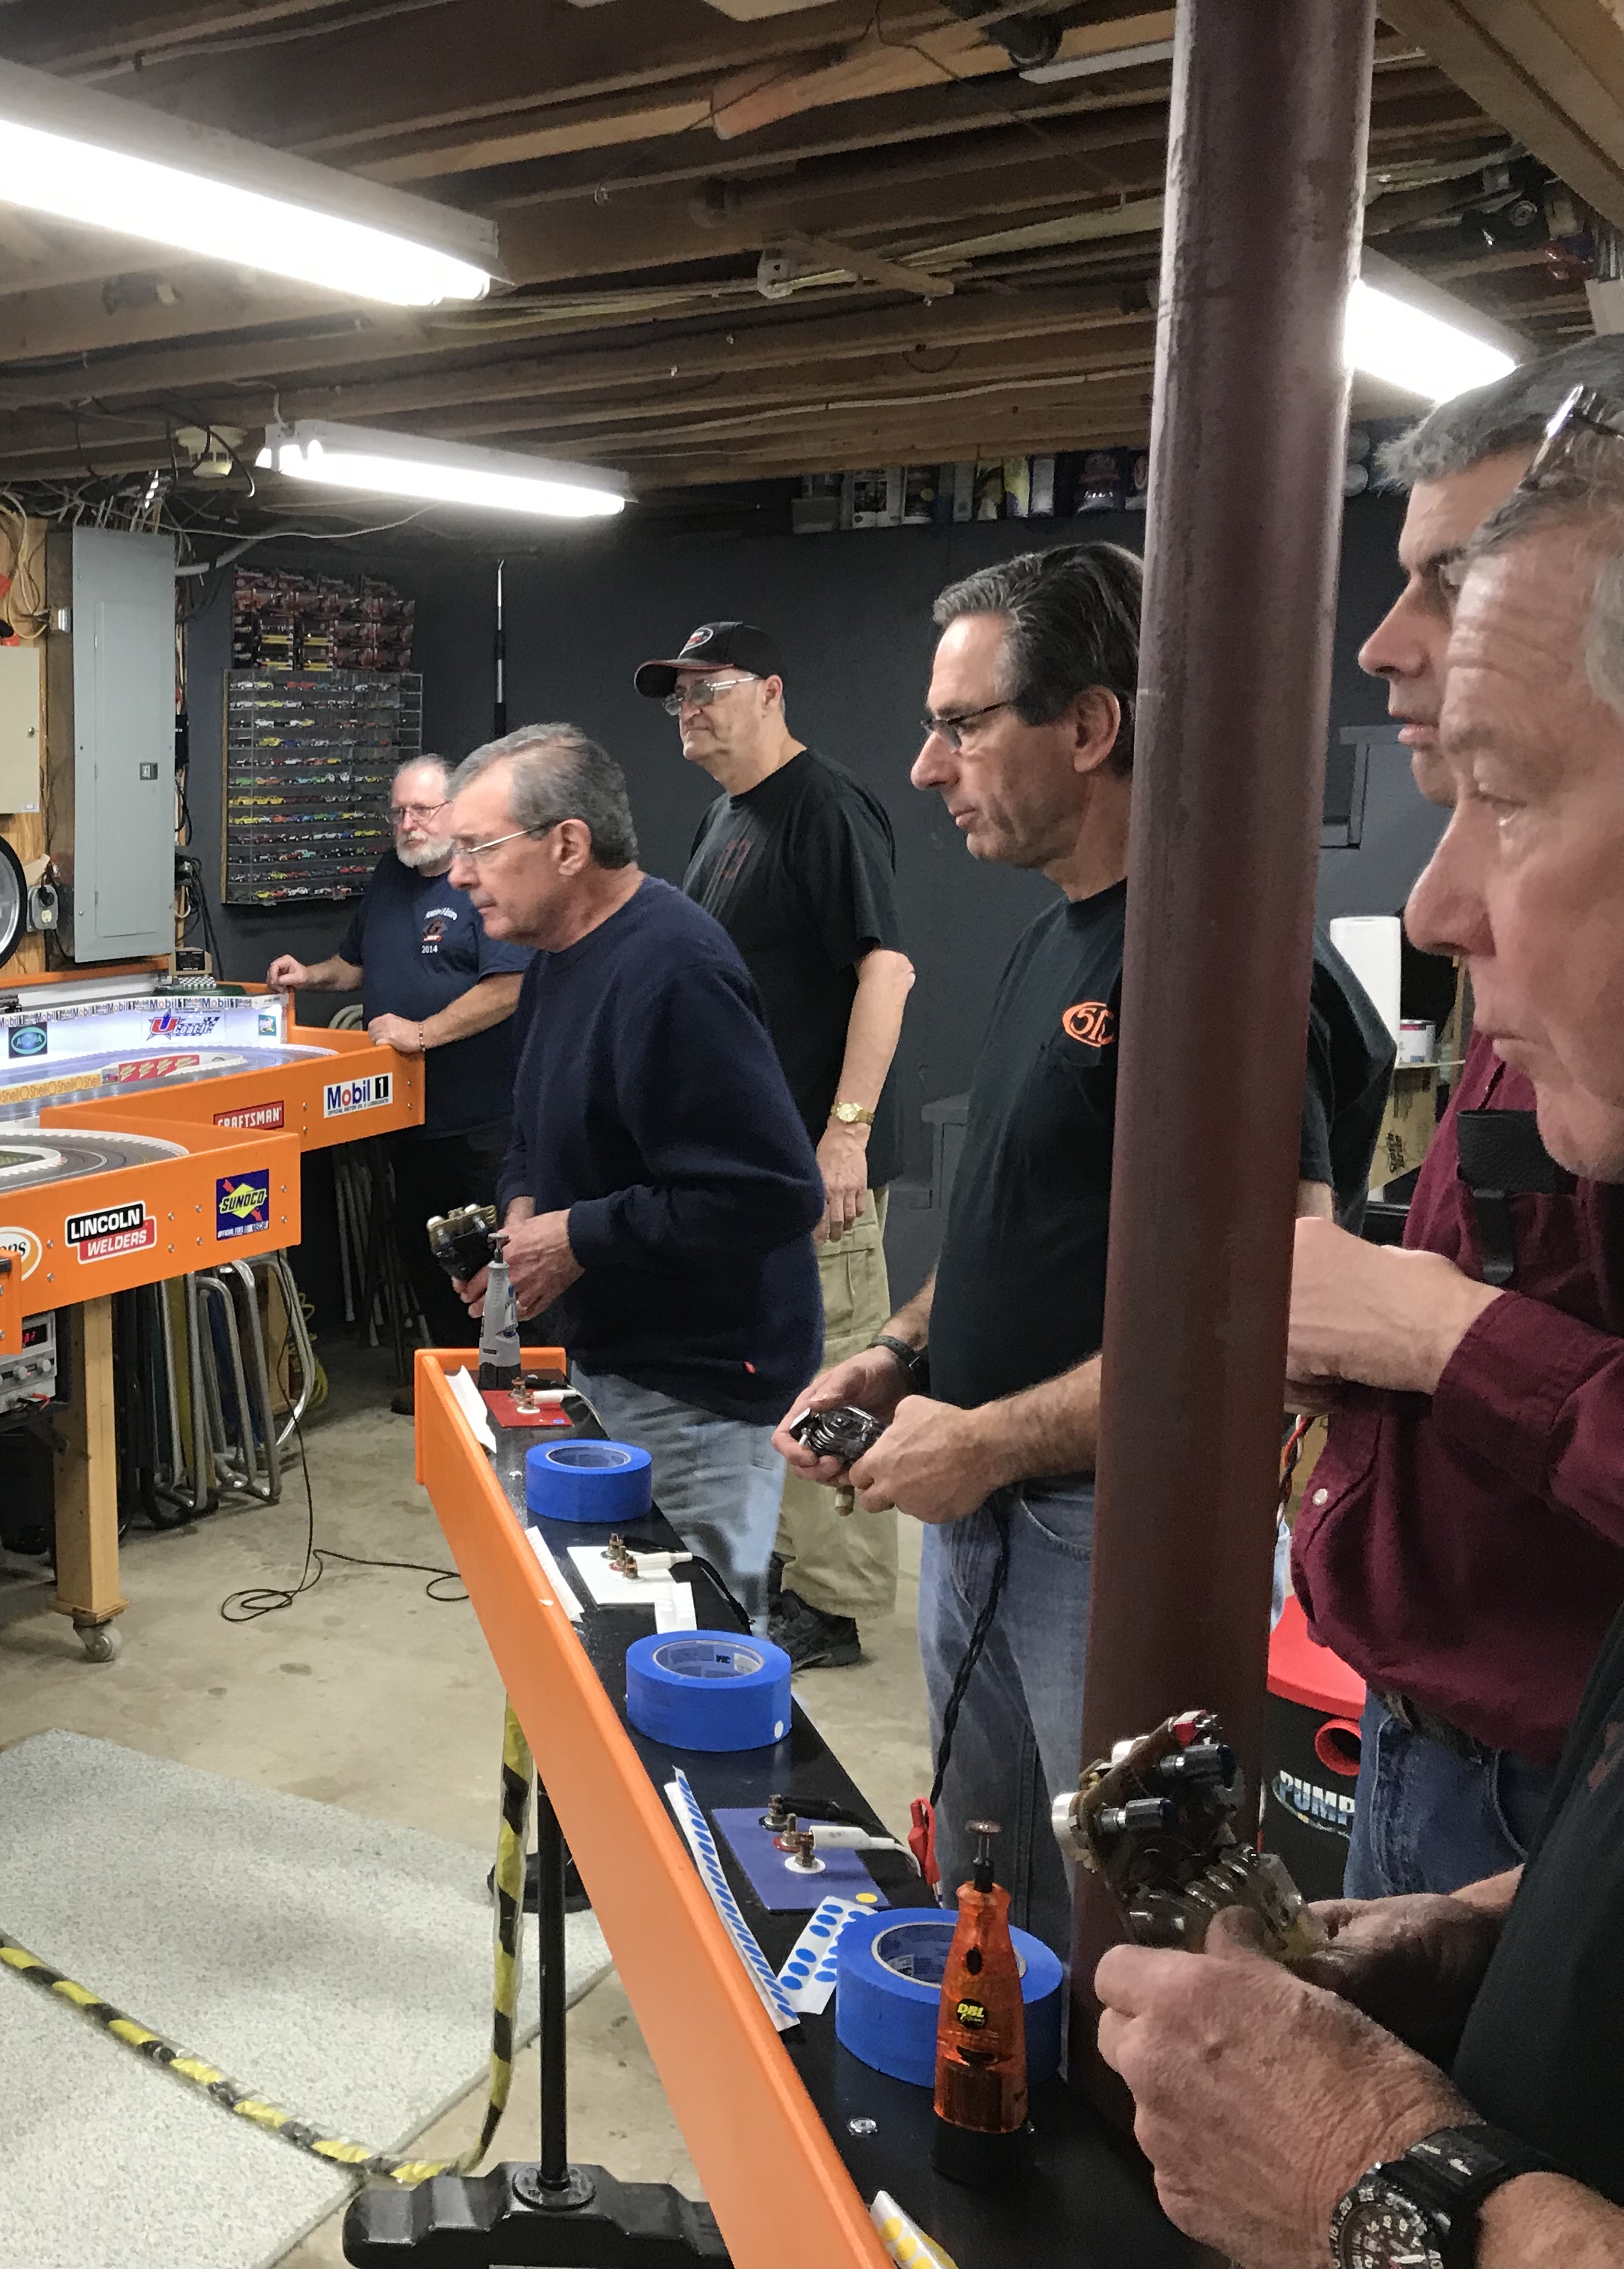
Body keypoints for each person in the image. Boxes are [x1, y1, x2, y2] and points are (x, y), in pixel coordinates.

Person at [1097, 398, 1624, 2269]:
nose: (1433, 899)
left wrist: (1371, 2184)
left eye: (1514, 786)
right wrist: (1498, 1935)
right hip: (1462, 1750)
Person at [773, 544, 1385, 1958]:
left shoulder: (1221, 967)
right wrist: (897, 1353)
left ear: (1091, 725)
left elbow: (1269, 1327)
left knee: (1136, 1947)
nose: (926, 767)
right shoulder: (1055, 942)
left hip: (1109, 1540)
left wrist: (987, 1440)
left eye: (962, 723)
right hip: (985, 1513)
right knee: (993, 1908)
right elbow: (1021, 1220)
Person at [1287, 338, 1624, 1901]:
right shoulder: (1538, 968)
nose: (1383, 640)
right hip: (1447, 1742)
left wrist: (1433, 1336)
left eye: (1456, 574)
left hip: (1537, 1760)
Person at [438, 723, 823, 1627]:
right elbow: (534, 1130)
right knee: (605, 1641)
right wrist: (523, 1222)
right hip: (613, 1361)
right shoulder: (557, 959)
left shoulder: (675, 969)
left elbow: (771, 1193)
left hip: (696, 1395)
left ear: (568, 845)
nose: (457, 876)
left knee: (685, 1651)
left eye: (478, 849)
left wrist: (575, 1237)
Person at [650, 618, 918, 1670]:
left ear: (770, 690)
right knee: (767, 1371)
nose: (689, 710)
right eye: (678, 696)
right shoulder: (725, 818)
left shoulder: (824, 806)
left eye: (708, 688)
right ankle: (777, 1571)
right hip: (746, 1173)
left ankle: (835, 1605)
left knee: (831, 1365)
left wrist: (844, 1136)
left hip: (815, 1170)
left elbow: (885, 971)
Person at [269, 756, 530, 1381]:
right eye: (399, 812)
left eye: (422, 810)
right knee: (429, 1268)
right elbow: (357, 964)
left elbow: (510, 985)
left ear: (454, 810)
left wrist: (423, 1033)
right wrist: (310, 975)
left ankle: (510, 1399)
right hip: (406, 1122)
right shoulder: (391, 876)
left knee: (497, 1278)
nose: (409, 824)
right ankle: (456, 1395)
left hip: (482, 1126)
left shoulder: (482, 876)